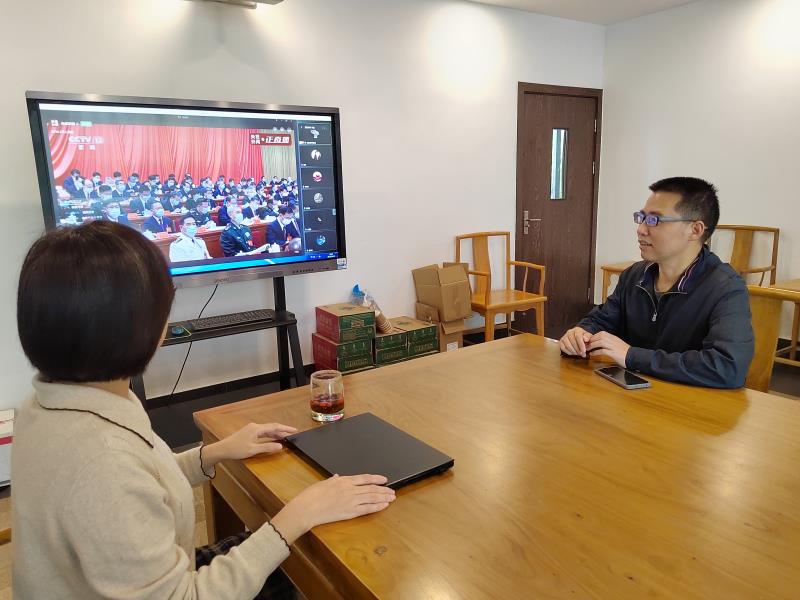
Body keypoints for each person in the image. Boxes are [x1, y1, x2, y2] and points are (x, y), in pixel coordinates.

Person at [12, 220, 395, 599]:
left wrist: (212, 453)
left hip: (147, 580)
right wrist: (300, 512)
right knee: (316, 564)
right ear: (138, 326)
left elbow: (139, 486)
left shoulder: (51, 402)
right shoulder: (102, 461)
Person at [559, 177, 754, 388]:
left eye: (654, 220)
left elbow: (728, 367)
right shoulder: (634, 275)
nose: (641, 229)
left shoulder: (726, 288)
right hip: (633, 399)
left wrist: (631, 356)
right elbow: (602, 320)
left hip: (689, 403)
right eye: (641, 217)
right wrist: (581, 333)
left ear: (695, 230)